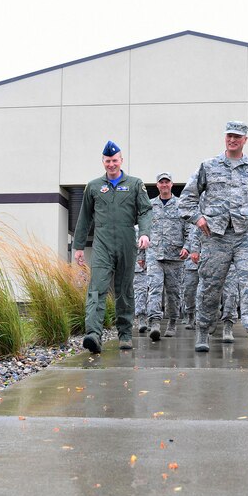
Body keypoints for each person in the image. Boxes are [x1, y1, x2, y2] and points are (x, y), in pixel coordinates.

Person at [178, 121, 248, 358]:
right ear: (224, 138)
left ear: (245, 140)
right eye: (229, 136)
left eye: (237, 137)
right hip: (215, 237)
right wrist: (198, 219)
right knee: (210, 287)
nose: (233, 140)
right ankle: (203, 331)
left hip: (245, 237)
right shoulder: (208, 166)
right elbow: (186, 200)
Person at [73, 141, 152, 353]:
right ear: (103, 161)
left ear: (121, 161)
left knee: (124, 290)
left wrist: (144, 233)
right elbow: (84, 217)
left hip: (127, 241)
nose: (111, 164)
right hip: (102, 243)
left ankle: (125, 334)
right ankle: (93, 334)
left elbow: (145, 211)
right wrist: (79, 246)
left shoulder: (135, 184)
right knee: (97, 288)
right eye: (107, 161)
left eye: (114, 160)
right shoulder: (94, 186)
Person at [146, 172, 190, 340]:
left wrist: (187, 247)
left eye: (167, 182)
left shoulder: (181, 205)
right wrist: (142, 254)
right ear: (157, 185)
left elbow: (189, 229)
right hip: (154, 254)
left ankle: (172, 321)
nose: (164, 185)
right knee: (154, 289)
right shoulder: (149, 206)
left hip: (175, 256)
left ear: (172, 184)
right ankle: (155, 322)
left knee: (173, 293)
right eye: (161, 182)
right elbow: (144, 231)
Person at [134, 227, 149, 333]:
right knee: (141, 292)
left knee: (154, 294)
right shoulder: (137, 228)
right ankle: (142, 319)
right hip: (141, 267)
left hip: (159, 263)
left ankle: (154, 320)